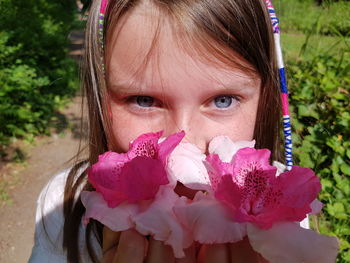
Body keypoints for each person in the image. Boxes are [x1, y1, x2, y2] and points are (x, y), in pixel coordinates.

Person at [29, 0, 283, 262]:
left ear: (265, 98)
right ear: (101, 98)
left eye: (223, 100)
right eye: (144, 100)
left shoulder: (278, 204)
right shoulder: (63, 203)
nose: (186, 146)